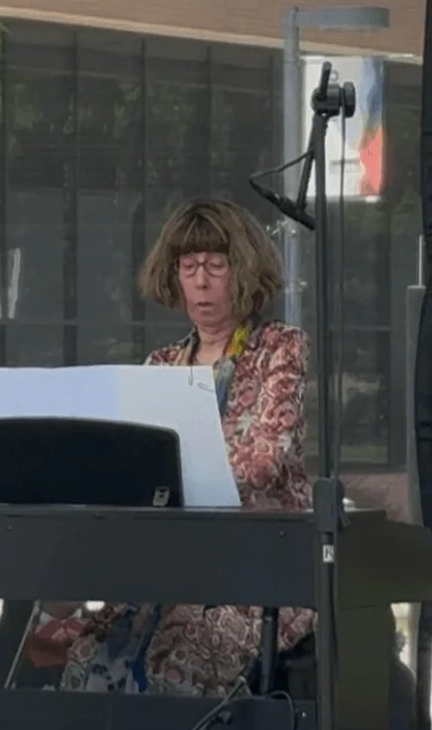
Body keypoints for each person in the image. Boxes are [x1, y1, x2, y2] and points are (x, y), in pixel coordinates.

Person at [37, 198, 315, 696]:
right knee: (87, 659)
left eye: (215, 265)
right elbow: (125, 466)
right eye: (188, 266)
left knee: (175, 662)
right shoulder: (161, 364)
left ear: (244, 270)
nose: (200, 281)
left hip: (260, 573)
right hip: (166, 570)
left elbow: (264, 462)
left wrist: (162, 480)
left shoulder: (280, 347)